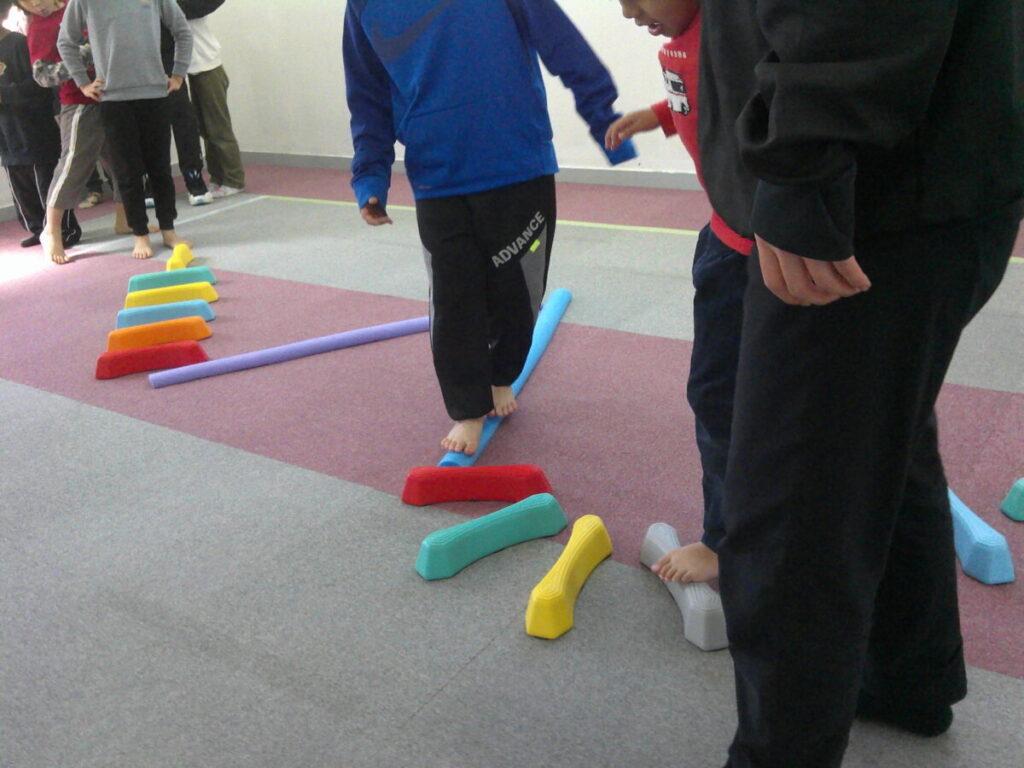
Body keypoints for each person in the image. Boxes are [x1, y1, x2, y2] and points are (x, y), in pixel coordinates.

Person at [696, 1, 1023, 765]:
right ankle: (909, 678)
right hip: (900, 171)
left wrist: (804, 163)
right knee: (878, 445)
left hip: (863, 188)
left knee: (793, 511)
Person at [344, 0, 636, 455]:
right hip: (436, 174)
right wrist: (370, 174)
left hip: (517, 162)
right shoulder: (362, 5)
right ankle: (467, 408)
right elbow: (367, 94)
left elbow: (562, 44)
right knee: (453, 297)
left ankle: (502, 375)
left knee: (518, 293)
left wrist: (604, 120)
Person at [606, 0, 753, 584]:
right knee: (722, 393)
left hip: (755, 248)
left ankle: (724, 539)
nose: (628, 12)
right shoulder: (685, 38)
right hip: (725, 233)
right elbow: (709, 101)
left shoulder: (733, 30)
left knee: (720, 396)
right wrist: (660, 114)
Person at [57, 0, 193, 260]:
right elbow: (66, 41)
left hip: (154, 93)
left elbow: (183, 31)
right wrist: (83, 82)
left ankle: (168, 230)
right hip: (114, 99)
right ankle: (139, 233)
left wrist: (178, 74)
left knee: (160, 168)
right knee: (127, 172)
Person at [15, 0, 129, 264]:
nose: (36, 3)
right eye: (26, 1)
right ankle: (50, 230)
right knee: (73, 165)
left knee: (123, 161)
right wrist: (86, 54)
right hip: (79, 103)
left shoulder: (78, 7)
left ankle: (126, 218)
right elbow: (43, 76)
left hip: (113, 96)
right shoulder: (39, 27)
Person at [0, 0, 79, 248]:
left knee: (45, 181)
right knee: (20, 184)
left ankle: (63, 229)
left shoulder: (18, 43)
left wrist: (5, 94)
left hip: (34, 128)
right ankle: (37, 228)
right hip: (7, 133)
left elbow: (39, 85)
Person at [158, 0, 225, 207]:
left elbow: (183, 32)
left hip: (169, 61)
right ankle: (152, 184)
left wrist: (178, 73)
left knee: (184, 121)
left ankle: (194, 180)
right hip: (139, 63)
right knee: (149, 126)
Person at [186, 3, 244, 199]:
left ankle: (234, 179)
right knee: (205, 128)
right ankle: (217, 176)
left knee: (218, 127)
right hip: (192, 69)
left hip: (208, 67)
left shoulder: (187, 6)